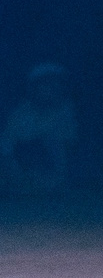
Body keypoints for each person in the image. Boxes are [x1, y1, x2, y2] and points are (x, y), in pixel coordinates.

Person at [0, 63, 75, 196]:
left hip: (50, 169)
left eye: (57, 83)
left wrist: (59, 176)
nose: (53, 88)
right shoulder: (21, 114)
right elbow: (6, 147)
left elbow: (66, 146)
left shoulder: (66, 111)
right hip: (18, 166)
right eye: (47, 84)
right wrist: (16, 174)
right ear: (34, 88)